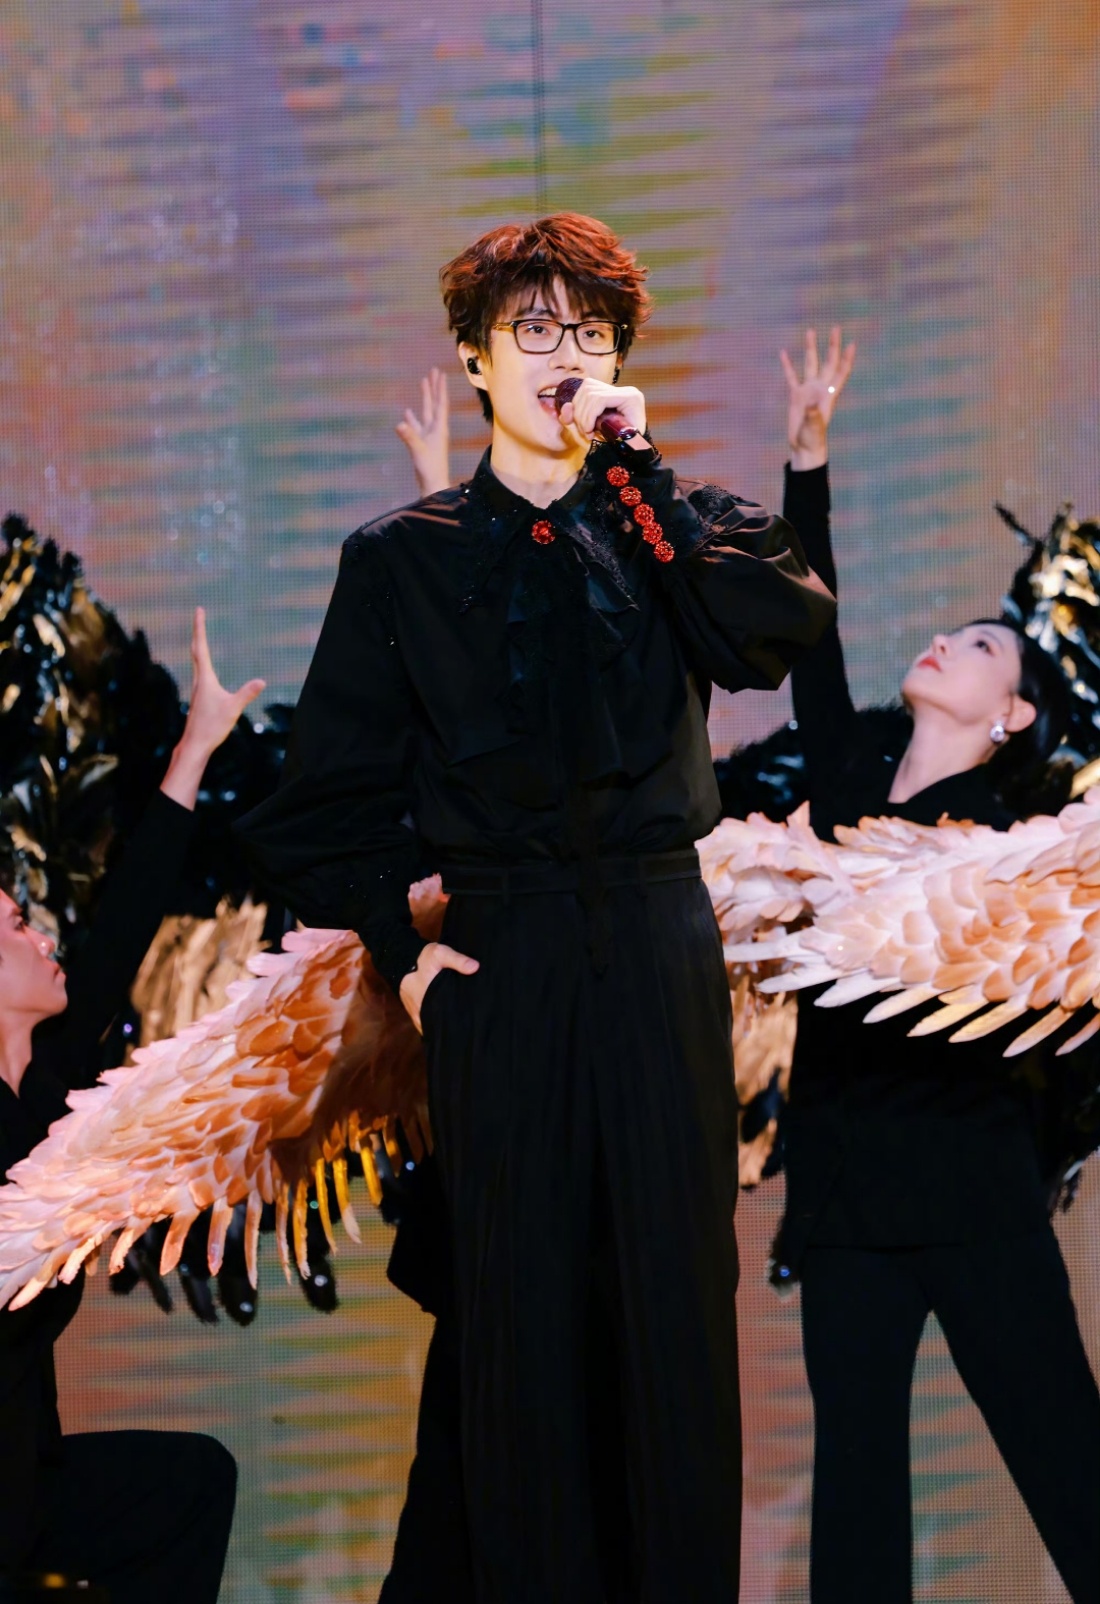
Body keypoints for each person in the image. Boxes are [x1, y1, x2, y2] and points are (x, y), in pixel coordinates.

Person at [238, 212, 835, 1601]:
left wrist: (635, 469)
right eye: (534, 327)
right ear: (473, 358)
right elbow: (322, 804)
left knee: (673, 1316)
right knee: (518, 1329)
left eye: (592, 330)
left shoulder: (674, 523)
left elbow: (776, 631)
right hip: (499, 955)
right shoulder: (401, 558)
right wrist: (404, 960)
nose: (566, 351)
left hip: (656, 936)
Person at [775, 329, 1100, 1602]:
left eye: (977, 646)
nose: (942, 644)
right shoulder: (847, 784)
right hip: (844, 1202)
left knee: (1068, 1468)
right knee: (854, 1502)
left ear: (1009, 713)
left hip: (973, 1191)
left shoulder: (1015, 842)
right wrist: (807, 464)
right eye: (945, 634)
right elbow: (811, 645)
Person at [0, 608, 262, 1600]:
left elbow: (120, 928)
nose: (41, 935)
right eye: (16, 925)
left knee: (189, 1485)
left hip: (26, 1480)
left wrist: (195, 746)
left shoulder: (46, 1084)